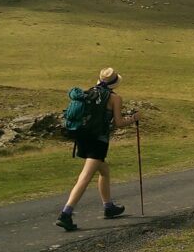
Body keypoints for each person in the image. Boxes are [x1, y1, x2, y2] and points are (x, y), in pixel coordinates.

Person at [56, 67, 141, 231]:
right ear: (115, 83)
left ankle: (109, 207)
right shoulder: (115, 98)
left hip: (82, 137)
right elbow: (119, 123)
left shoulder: (90, 93)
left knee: (104, 171)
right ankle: (66, 214)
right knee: (86, 176)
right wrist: (134, 118)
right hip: (98, 141)